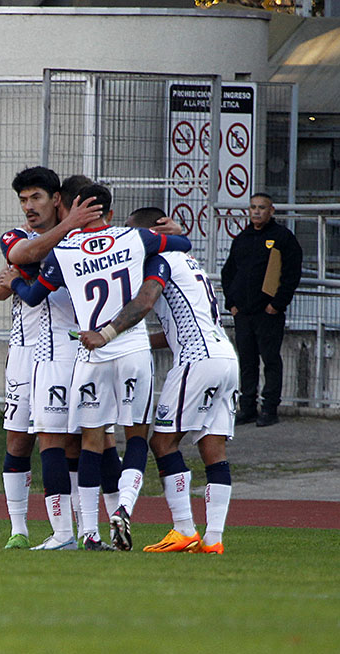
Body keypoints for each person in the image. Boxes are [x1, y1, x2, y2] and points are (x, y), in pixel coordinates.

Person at [8, 184, 192, 551]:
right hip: (132, 350)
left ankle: (88, 533)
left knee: (91, 441)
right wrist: (172, 234)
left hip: (90, 353)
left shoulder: (64, 250)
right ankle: (123, 508)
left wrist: (12, 280)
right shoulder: (135, 237)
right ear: (109, 214)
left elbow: (31, 296)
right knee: (135, 436)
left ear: (73, 208)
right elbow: (182, 248)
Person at [81, 207, 237, 554]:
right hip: (225, 356)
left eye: (139, 236)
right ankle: (213, 539)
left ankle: (183, 529)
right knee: (213, 449)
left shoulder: (160, 260)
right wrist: (132, 340)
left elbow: (145, 301)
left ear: (154, 233)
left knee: (162, 443)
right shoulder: (190, 261)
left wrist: (107, 334)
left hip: (197, 360)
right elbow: (173, 330)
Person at [0, 169, 103, 550]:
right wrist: (68, 226)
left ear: (56, 198)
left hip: (74, 348)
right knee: (19, 441)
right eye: (23, 200)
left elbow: (11, 282)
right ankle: (18, 530)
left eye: (35, 198)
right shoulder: (19, 236)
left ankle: (74, 529)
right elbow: (19, 259)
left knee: (75, 442)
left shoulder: (83, 239)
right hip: (26, 355)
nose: (28, 207)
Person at [220, 192, 302, 427]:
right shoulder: (243, 238)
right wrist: (231, 304)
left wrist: (276, 304)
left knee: (271, 360)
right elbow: (229, 273)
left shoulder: (282, 238)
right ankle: (247, 408)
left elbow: (291, 273)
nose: (256, 211)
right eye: (253, 207)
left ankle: (269, 409)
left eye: (262, 208)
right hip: (243, 313)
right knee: (246, 361)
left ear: (271, 211)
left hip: (268, 313)